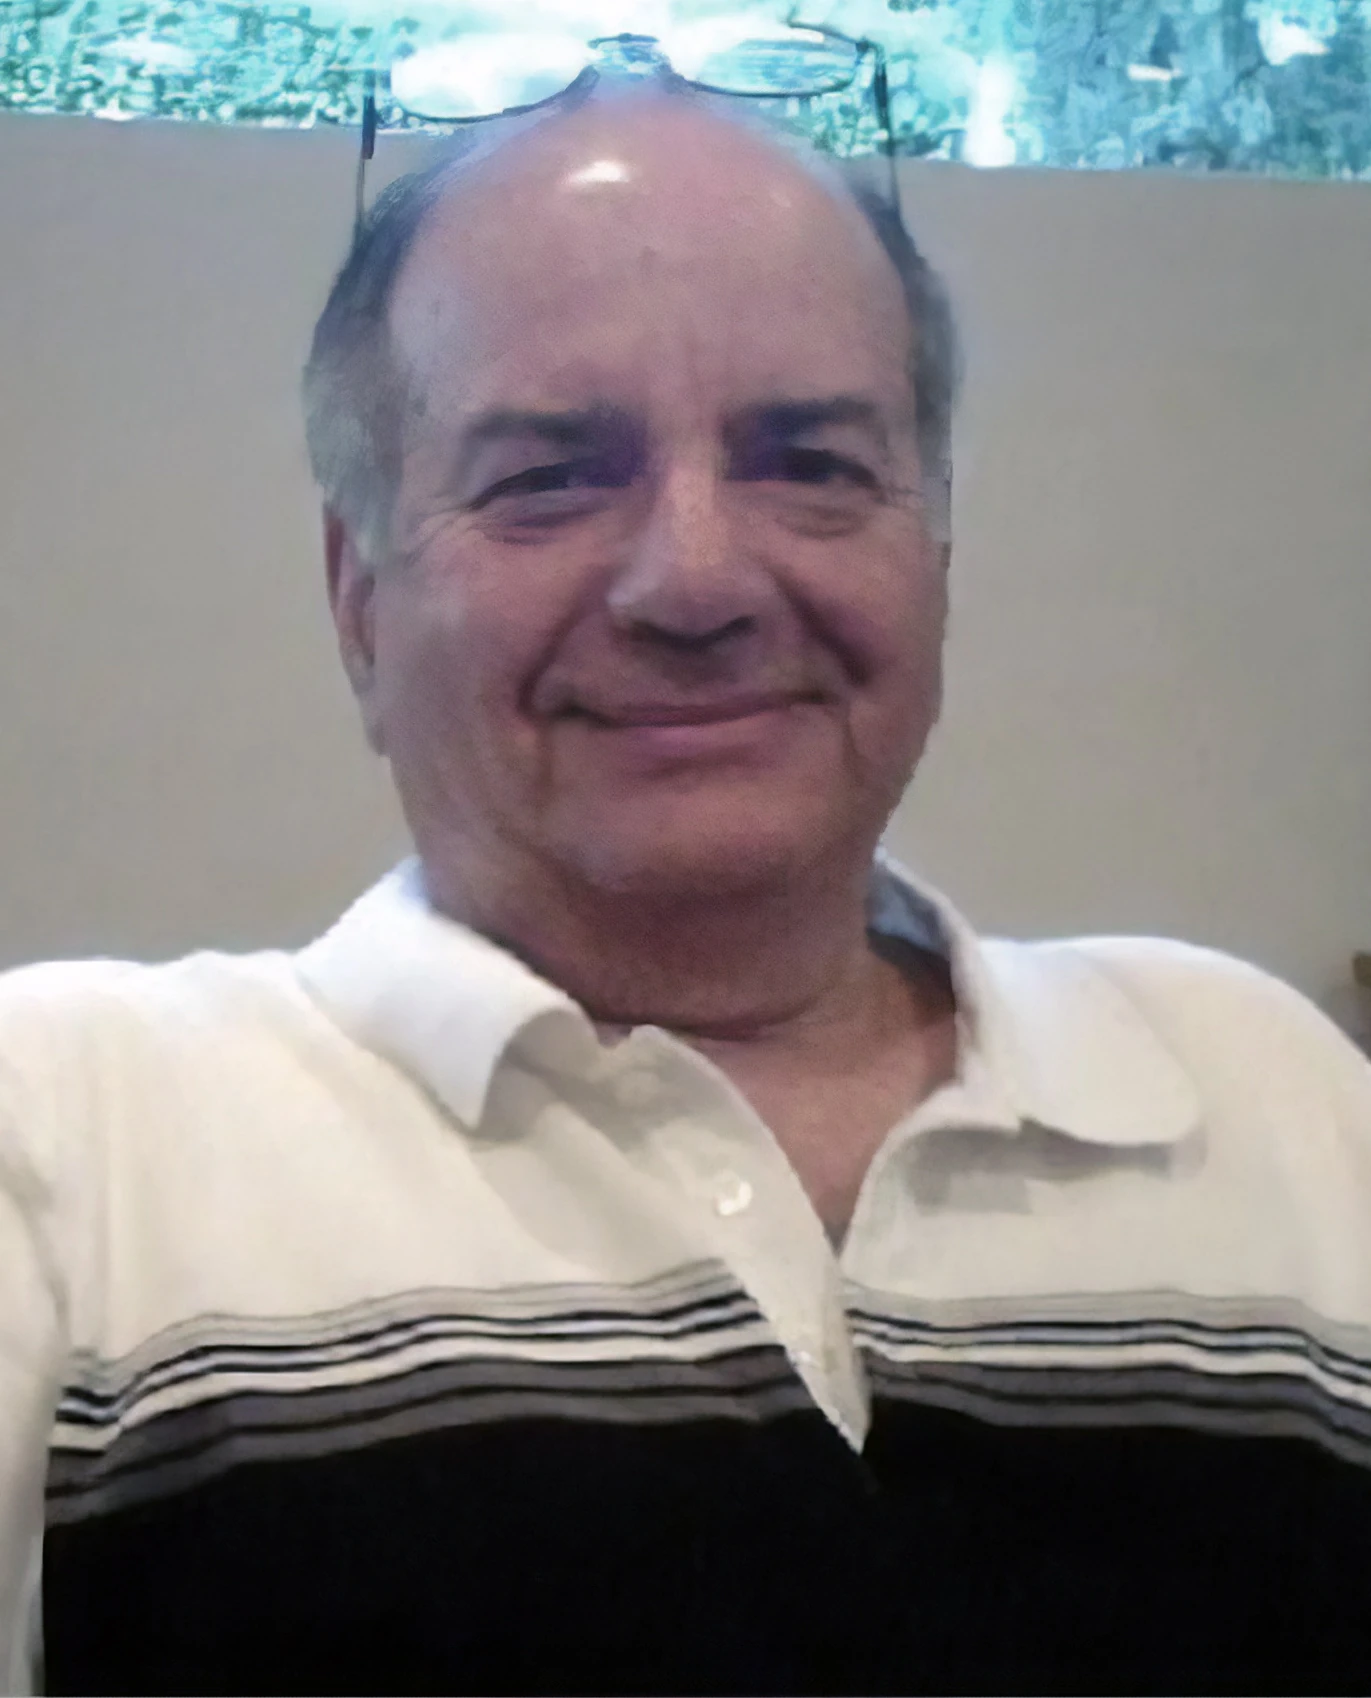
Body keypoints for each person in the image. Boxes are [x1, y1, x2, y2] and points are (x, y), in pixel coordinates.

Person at [3, 73, 1370, 1698]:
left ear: (933, 554)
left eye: (810, 459)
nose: (696, 580)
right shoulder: (68, 1139)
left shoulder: (1262, 1092)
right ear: (359, 598)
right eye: (549, 475)